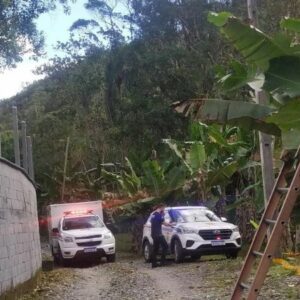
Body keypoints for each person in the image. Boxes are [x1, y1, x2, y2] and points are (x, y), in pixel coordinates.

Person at [150, 203, 172, 268]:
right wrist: (171, 224)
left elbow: (154, 222)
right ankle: (163, 262)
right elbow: (164, 223)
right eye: (164, 208)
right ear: (161, 207)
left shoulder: (153, 214)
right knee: (165, 246)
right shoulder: (160, 215)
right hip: (159, 234)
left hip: (153, 234)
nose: (164, 209)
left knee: (155, 249)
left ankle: (154, 264)